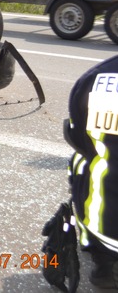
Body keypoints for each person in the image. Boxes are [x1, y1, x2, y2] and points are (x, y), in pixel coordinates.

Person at [65, 55, 118, 290]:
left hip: (106, 235)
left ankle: (103, 260)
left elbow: (80, 140)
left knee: (86, 160)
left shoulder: (99, 78)